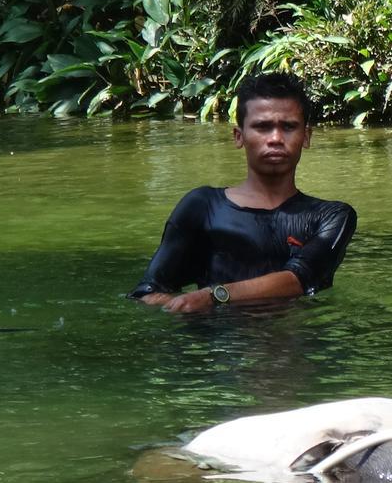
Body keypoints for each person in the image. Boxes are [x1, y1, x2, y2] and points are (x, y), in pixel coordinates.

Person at [130, 72, 357, 313]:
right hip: (217, 346)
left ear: (306, 137)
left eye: (289, 127)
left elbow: (302, 278)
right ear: (239, 137)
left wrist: (215, 296)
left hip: (294, 346)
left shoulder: (331, 216)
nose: (276, 138)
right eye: (262, 127)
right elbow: (146, 292)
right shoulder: (203, 207)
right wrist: (184, 305)